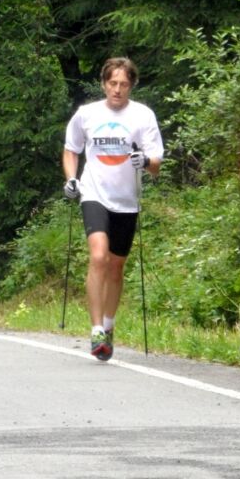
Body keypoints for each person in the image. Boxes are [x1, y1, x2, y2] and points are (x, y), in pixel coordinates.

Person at [63, 57, 163, 361]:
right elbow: (71, 150)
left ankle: (108, 325)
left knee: (117, 266)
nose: (117, 90)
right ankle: (95, 331)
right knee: (98, 256)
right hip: (94, 193)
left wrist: (144, 161)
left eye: (123, 84)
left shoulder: (143, 116)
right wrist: (71, 179)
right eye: (112, 83)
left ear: (131, 85)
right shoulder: (87, 114)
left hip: (126, 200)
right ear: (104, 84)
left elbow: (157, 163)